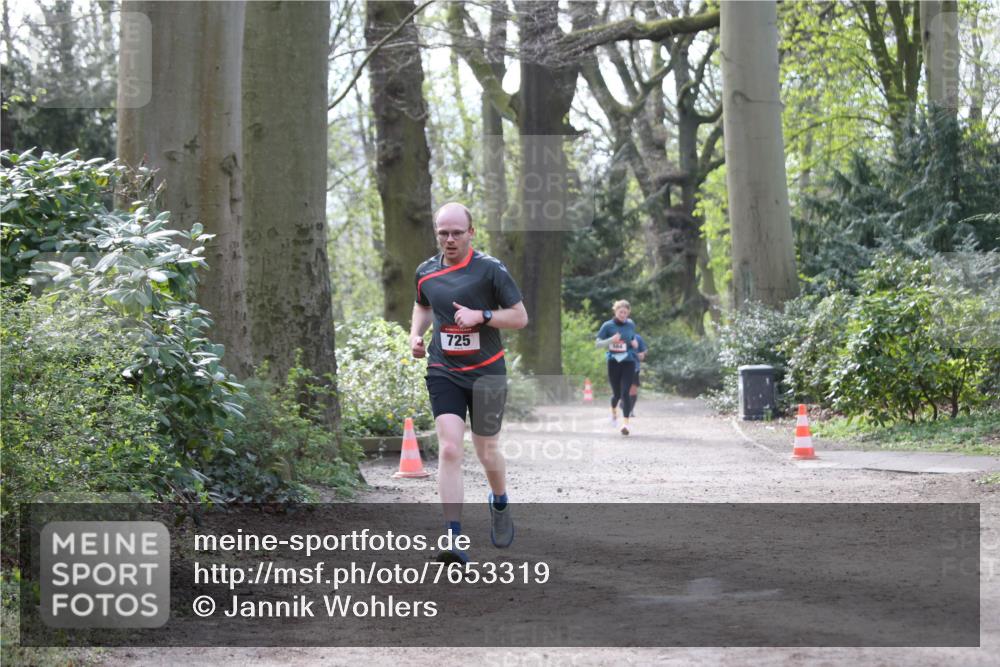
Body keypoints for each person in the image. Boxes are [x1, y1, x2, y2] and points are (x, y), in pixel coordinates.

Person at [410, 202, 529, 563]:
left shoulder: (490, 270)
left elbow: (520, 318)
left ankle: (500, 501)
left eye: (457, 233)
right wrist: (416, 335)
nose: (449, 239)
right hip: (443, 368)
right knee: (449, 448)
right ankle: (453, 537)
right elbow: (424, 305)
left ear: (471, 233)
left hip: (487, 371)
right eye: (443, 232)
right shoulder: (426, 272)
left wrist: (483, 315)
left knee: (486, 450)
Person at [595, 300, 641, 435]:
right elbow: (597, 344)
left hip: (628, 361)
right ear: (615, 311)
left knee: (625, 393)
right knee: (616, 394)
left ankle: (626, 424)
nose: (623, 315)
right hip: (614, 362)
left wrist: (635, 343)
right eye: (621, 312)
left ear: (628, 313)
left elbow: (633, 340)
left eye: (625, 313)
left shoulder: (631, 324)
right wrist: (611, 340)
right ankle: (613, 411)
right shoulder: (607, 326)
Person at [629, 333, 648, 415]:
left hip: (634, 367)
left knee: (633, 390)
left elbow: (644, 350)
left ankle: (631, 409)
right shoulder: (618, 337)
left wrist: (642, 354)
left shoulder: (637, 337)